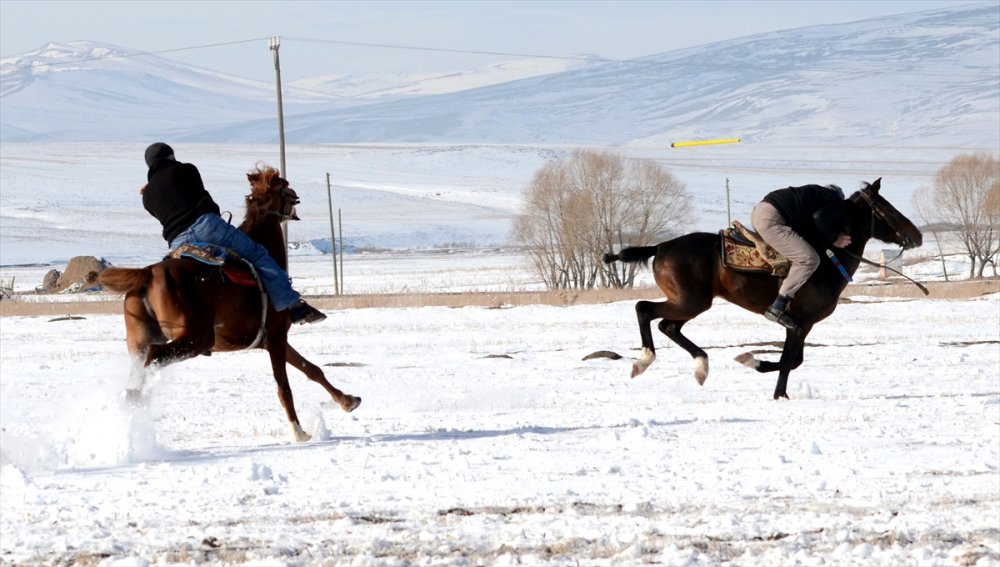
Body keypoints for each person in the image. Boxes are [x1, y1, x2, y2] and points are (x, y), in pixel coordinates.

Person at [141, 142, 326, 324]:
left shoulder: (147, 197)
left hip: (178, 243)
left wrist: (151, 186)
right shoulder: (186, 170)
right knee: (258, 253)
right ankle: (294, 306)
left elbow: (164, 198)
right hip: (208, 227)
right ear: (171, 157)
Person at [750, 183, 853, 329]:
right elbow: (820, 218)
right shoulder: (834, 200)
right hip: (772, 219)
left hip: (758, 212)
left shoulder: (813, 194)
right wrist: (835, 238)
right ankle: (778, 306)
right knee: (809, 259)